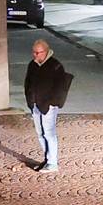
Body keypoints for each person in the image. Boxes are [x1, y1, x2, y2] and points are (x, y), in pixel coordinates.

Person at [23, 38, 73, 171]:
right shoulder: (32, 65)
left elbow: (60, 87)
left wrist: (52, 102)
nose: (35, 55)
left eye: (38, 53)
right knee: (40, 133)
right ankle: (47, 159)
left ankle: (52, 162)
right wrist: (29, 100)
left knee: (49, 133)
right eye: (34, 52)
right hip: (35, 104)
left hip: (48, 105)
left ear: (45, 51)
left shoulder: (55, 66)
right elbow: (27, 83)